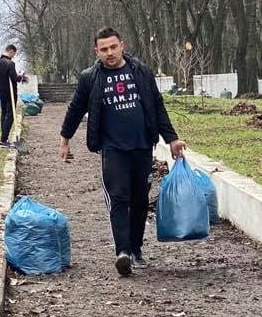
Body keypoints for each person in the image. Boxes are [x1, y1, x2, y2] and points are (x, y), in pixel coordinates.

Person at [60, 27, 187, 277]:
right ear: (96, 51)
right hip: (111, 149)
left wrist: (171, 139)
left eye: (113, 47)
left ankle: (136, 249)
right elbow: (75, 108)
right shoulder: (90, 77)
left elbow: (156, 106)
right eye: (104, 49)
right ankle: (123, 252)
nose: (110, 53)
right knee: (118, 198)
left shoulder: (140, 71)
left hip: (141, 146)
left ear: (122, 45)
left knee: (140, 200)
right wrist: (65, 140)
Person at [0, 44, 27, 148]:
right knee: (10, 115)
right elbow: (15, 78)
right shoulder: (10, 63)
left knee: (4, 114)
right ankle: (4, 140)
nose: (14, 56)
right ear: (11, 51)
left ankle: (3, 139)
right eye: (14, 54)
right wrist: (21, 75)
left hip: (2, 92)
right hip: (11, 93)